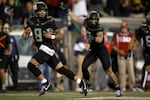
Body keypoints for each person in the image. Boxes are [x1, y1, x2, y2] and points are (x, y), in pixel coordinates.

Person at [22, 1, 82, 96]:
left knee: (31, 65)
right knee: (61, 69)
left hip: (47, 48)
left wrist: (52, 37)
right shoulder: (31, 21)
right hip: (42, 49)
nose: (43, 12)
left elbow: (59, 35)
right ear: (36, 11)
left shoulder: (49, 20)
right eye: (41, 11)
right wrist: (26, 32)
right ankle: (80, 82)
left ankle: (45, 82)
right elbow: (24, 37)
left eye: (44, 11)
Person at [65, 8, 122, 96]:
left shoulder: (99, 28)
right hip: (93, 51)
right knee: (84, 67)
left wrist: (93, 38)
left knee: (108, 70)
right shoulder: (86, 23)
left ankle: (118, 88)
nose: (93, 21)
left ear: (97, 20)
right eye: (91, 19)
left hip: (101, 50)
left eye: (95, 20)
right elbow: (75, 18)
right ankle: (87, 84)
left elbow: (100, 39)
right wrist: (68, 10)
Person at [128, 12, 150, 92]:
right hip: (147, 51)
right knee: (146, 68)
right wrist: (132, 47)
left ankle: (142, 87)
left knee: (147, 68)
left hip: (147, 51)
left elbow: (134, 39)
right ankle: (142, 87)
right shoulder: (142, 28)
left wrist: (132, 47)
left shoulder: (142, 28)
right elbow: (135, 38)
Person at [112, 22, 136, 92]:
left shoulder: (131, 36)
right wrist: (119, 51)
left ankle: (132, 86)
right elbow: (113, 46)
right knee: (122, 72)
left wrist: (133, 48)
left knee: (131, 71)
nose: (123, 29)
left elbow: (134, 44)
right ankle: (123, 86)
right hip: (121, 56)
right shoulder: (117, 36)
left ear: (127, 28)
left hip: (129, 56)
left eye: (124, 28)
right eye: (122, 28)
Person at [3, 23, 19, 90]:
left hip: (12, 58)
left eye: (7, 28)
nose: (6, 30)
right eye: (5, 28)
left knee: (14, 72)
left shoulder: (12, 37)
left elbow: (15, 47)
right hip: (4, 58)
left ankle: (16, 86)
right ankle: (3, 86)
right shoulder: (2, 38)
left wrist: (17, 56)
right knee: (3, 72)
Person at [0, 23, 12, 92]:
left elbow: (9, 44)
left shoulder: (5, 35)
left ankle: (4, 86)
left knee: (1, 70)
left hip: (2, 55)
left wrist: (9, 52)